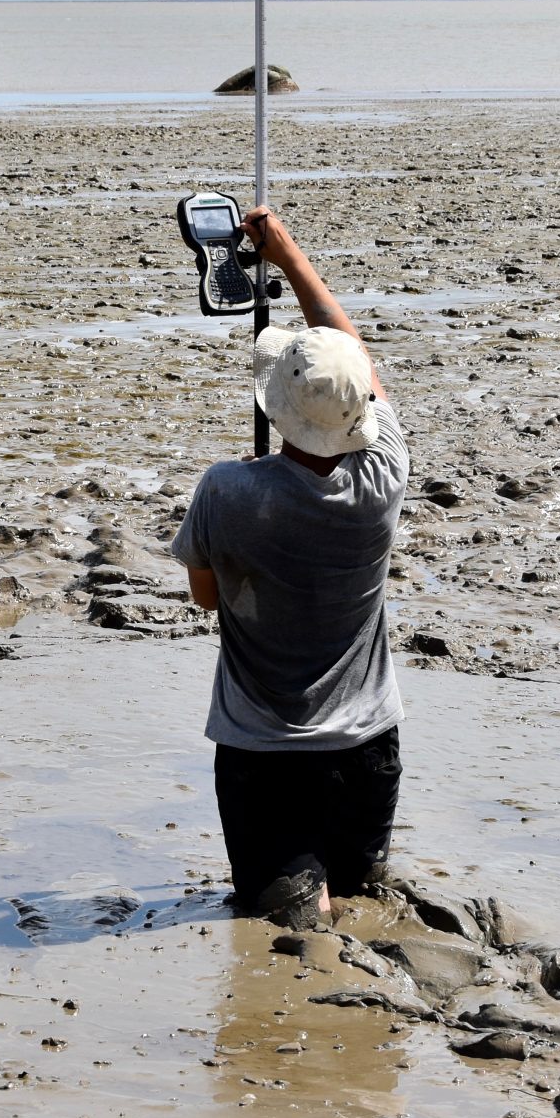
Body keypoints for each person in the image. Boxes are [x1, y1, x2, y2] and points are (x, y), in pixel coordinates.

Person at [171, 207, 409, 926]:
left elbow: (207, 598)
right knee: (363, 903)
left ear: (276, 409)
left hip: (264, 756)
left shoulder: (227, 490)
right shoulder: (384, 474)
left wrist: (251, 502)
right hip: (368, 751)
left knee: (293, 930)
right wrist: (293, 257)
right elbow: (356, 358)